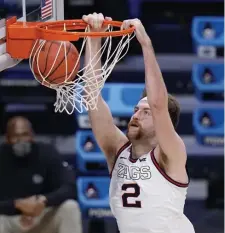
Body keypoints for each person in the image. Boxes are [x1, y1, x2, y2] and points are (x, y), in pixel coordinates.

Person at [83, 13, 195, 233]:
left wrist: (145, 43)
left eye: (146, 112)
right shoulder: (117, 150)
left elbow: (158, 104)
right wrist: (94, 38)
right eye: (136, 110)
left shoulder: (170, 154)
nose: (136, 115)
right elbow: (91, 97)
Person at [0, 116, 82, 233]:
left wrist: (43, 201)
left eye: (25, 135)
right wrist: (17, 204)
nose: (21, 141)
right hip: (10, 219)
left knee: (70, 207)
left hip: (41, 216)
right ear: (7, 139)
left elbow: (70, 187)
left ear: (32, 136)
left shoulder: (47, 153)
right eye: (15, 136)